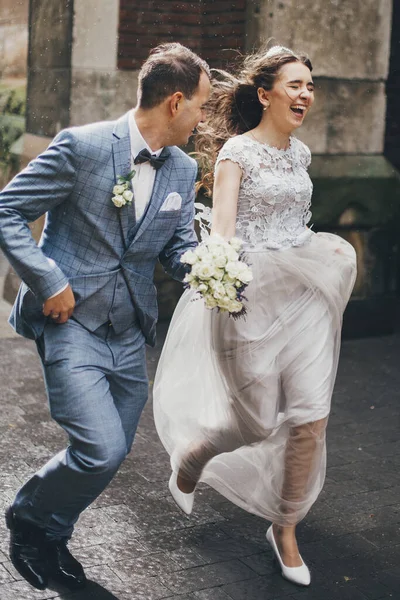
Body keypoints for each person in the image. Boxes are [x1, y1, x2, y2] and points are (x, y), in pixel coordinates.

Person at [0, 42, 210, 591]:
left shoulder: (183, 170)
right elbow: (8, 210)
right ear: (175, 102)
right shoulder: (84, 146)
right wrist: (49, 280)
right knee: (100, 448)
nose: (202, 118)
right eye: (201, 107)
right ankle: (28, 515)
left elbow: (177, 245)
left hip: (129, 329)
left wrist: (213, 269)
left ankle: (49, 530)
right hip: (70, 323)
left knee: (107, 453)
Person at [153, 45, 356, 587]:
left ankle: (285, 528)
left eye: (310, 87)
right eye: (295, 85)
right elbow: (221, 234)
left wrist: (324, 252)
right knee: (255, 421)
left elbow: (296, 224)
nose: (305, 95)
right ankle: (191, 461)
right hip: (246, 297)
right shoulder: (235, 155)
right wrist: (222, 279)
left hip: (302, 299)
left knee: (310, 419)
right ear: (265, 94)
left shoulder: (301, 154)